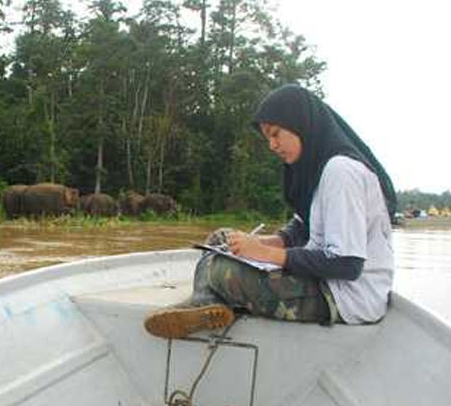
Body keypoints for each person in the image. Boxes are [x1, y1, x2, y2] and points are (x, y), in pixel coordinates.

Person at [145, 84, 397, 339]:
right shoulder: (317, 171)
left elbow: (347, 264)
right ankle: (206, 303)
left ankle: (206, 302)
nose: (272, 145)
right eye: (268, 138)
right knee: (221, 239)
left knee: (222, 270)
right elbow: (302, 228)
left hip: (344, 297)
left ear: (301, 124)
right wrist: (257, 242)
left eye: (276, 134)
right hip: (322, 279)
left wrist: (264, 252)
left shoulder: (341, 172)